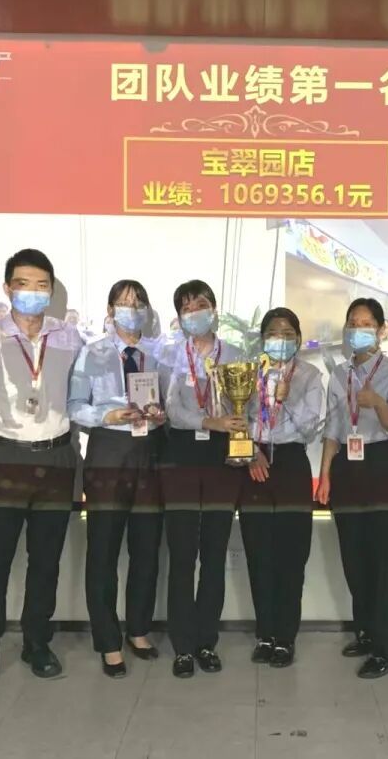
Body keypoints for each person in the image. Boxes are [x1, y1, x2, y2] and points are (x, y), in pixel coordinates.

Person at [0, 249, 85, 692]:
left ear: (51, 290)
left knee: (45, 561)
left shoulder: (71, 339)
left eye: (41, 285)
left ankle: (37, 642)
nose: (32, 292)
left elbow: (80, 398)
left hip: (56, 458)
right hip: (4, 458)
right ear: (7, 288)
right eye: (23, 284)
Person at [68, 280, 168, 678]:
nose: (132, 309)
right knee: (104, 552)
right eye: (124, 303)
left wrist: (162, 415)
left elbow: (169, 403)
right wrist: (106, 416)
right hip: (108, 451)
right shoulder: (92, 353)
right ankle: (108, 641)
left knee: (146, 549)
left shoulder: (157, 355)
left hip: (150, 452)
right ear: (110, 311)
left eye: (139, 302)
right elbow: (75, 406)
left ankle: (138, 630)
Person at [317, 298, 388, 680]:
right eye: (352, 323)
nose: (358, 330)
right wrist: (325, 474)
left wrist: (378, 402)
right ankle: (367, 632)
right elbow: (332, 429)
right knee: (355, 557)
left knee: (387, 561)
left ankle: (387, 648)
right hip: (347, 468)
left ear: (381, 330)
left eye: (366, 323)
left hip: (383, 464)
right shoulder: (339, 374)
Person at [162, 280, 246, 678]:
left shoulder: (237, 355)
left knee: (214, 555)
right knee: (182, 557)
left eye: (201, 304)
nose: (195, 312)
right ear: (179, 316)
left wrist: (240, 441)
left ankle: (206, 641)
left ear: (214, 309)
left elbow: (245, 410)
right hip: (180, 457)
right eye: (187, 307)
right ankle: (182, 646)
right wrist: (208, 421)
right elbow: (171, 410)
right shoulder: (170, 357)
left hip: (221, 460)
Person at [242, 308, 324, 668]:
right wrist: (250, 453)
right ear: (263, 339)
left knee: (292, 555)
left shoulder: (309, 376)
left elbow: (310, 429)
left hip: (291, 463)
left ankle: (285, 637)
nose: (281, 339)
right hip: (254, 464)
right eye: (274, 333)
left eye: (289, 333)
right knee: (258, 552)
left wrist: (286, 398)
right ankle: (265, 634)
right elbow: (237, 419)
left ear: (299, 339)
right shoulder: (248, 373)